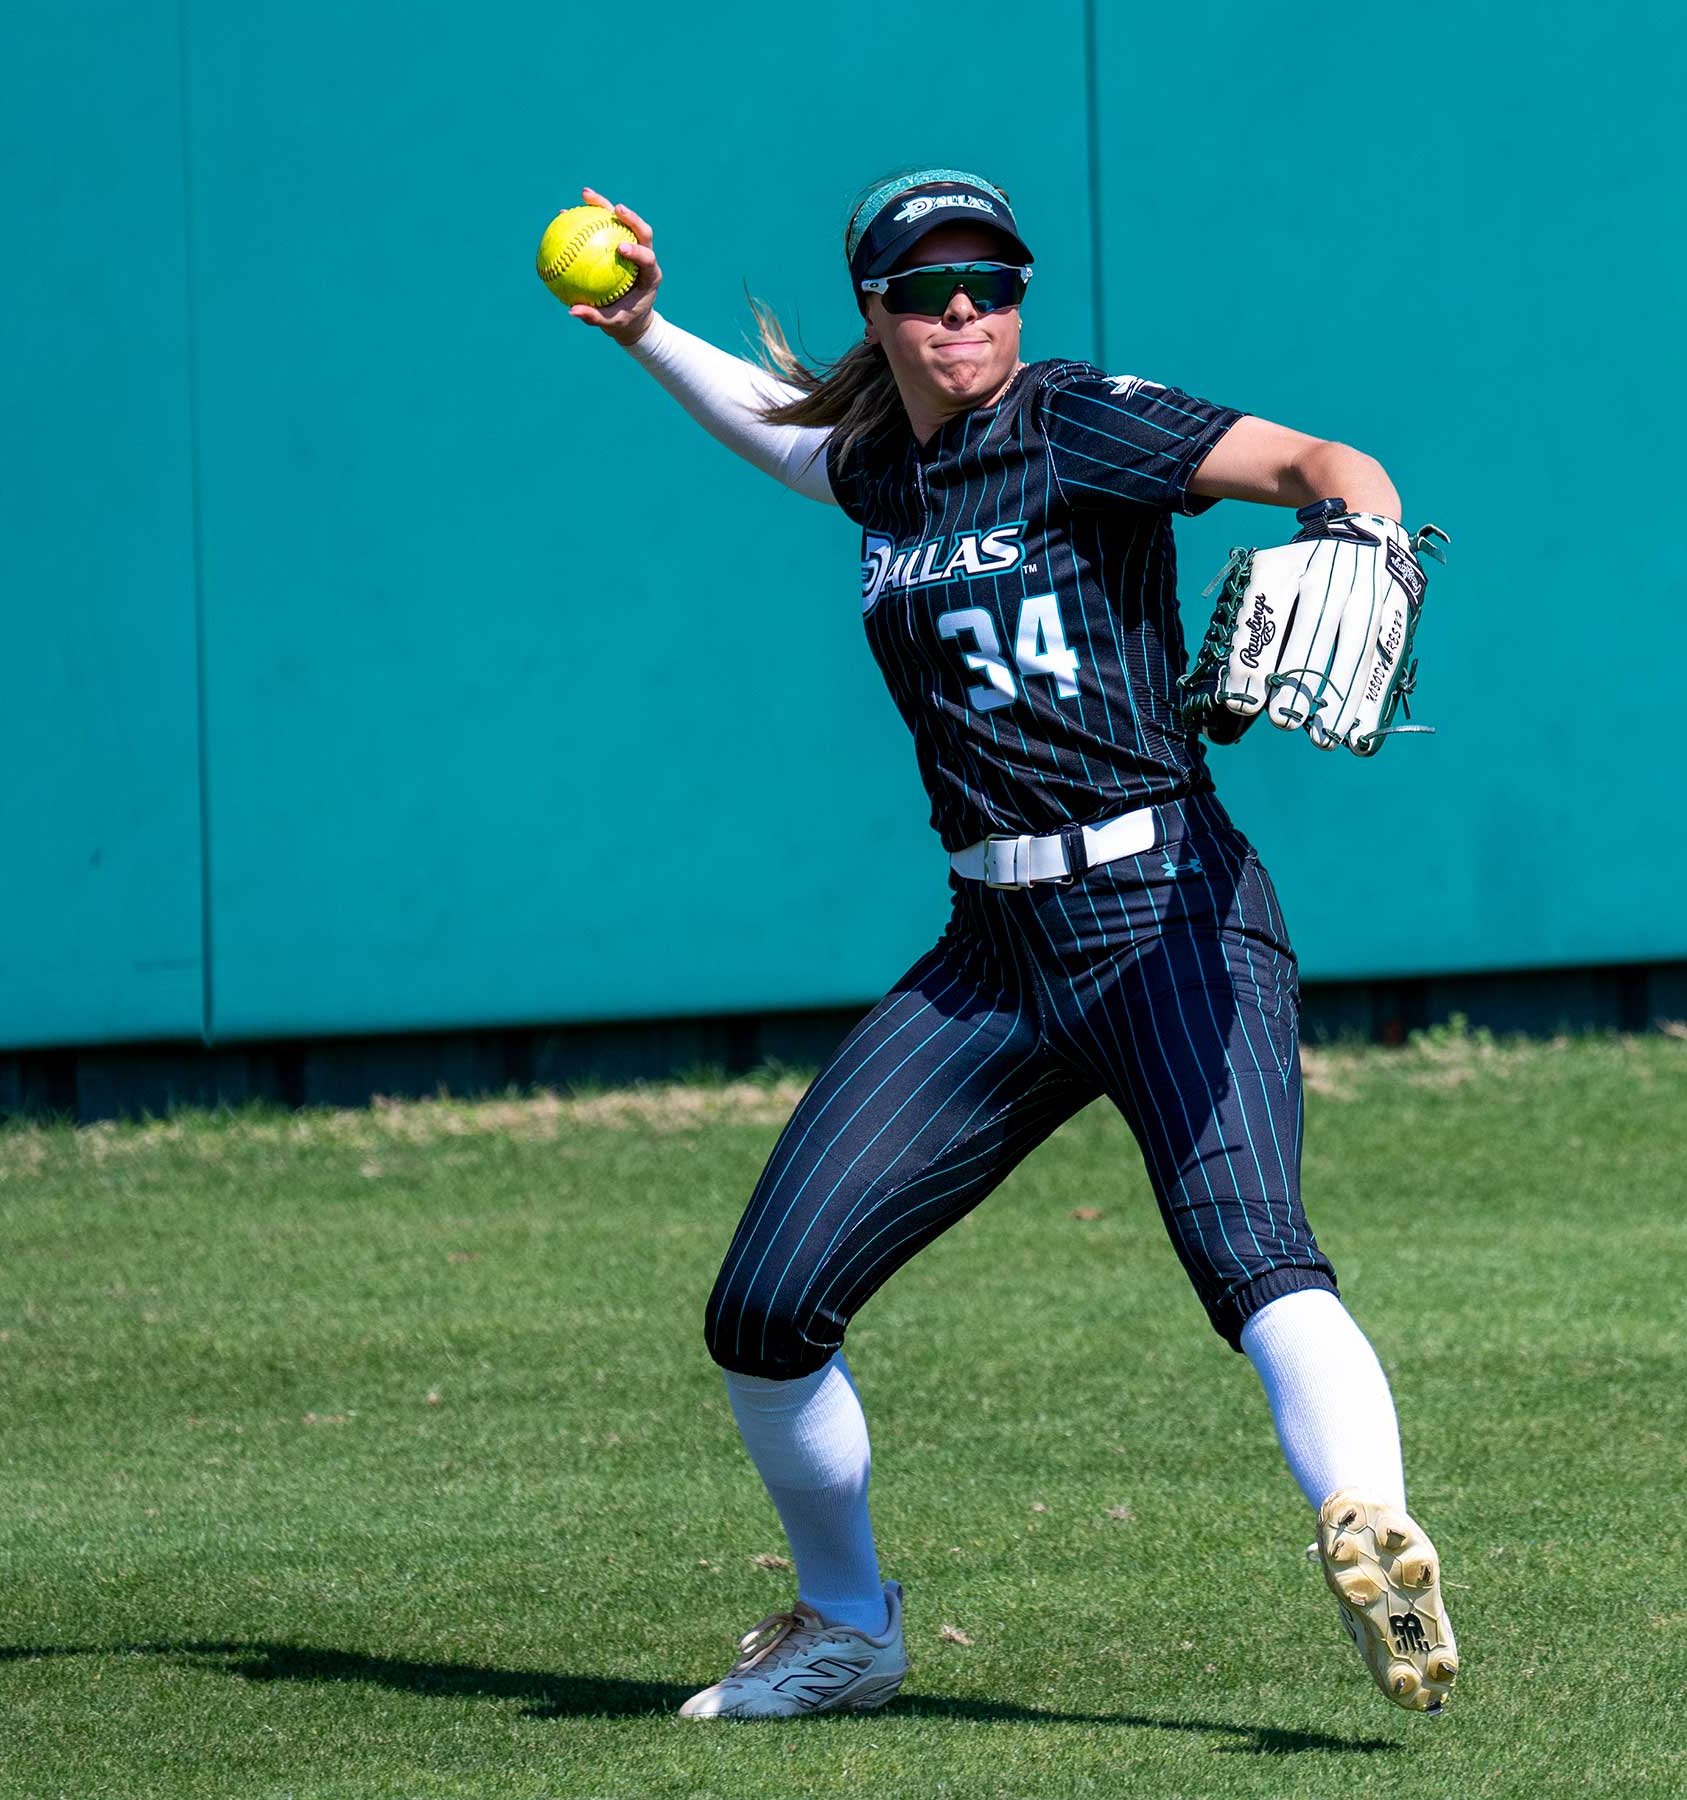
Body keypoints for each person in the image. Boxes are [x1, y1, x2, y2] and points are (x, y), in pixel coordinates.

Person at [563, 168, 1457, 1719]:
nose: (966, 307)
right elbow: (789, 440)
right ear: (877, 312)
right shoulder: (882, 470)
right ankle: (849, 1629)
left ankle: (1367, 1520)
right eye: (927, 287)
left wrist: (1360, 528)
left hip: (1170, 914)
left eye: (993, 280)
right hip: (994, 955)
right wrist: (645, 328)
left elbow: (1323, 460)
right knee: (762, 1314)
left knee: (1250, 1249)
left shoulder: (1076, 419)